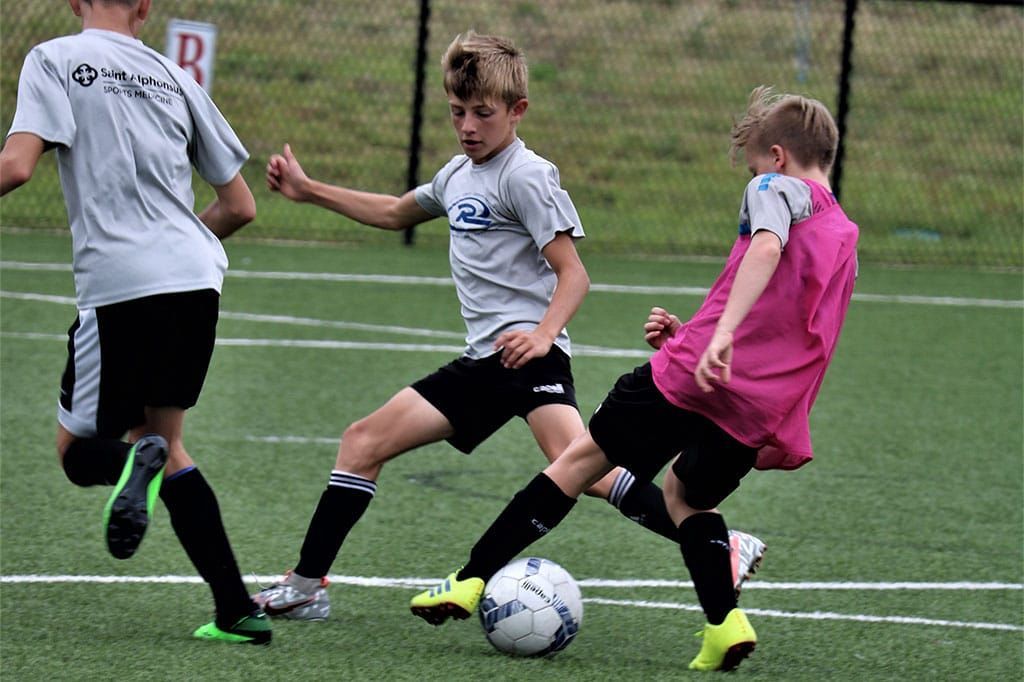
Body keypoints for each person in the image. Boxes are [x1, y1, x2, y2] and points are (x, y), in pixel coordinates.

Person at [253, 31, 766, 621]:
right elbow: (397, 213)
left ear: (517, 111)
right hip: (485, 361)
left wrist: (544, 334)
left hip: (528, 357)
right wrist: (308, 190)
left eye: (483, 114)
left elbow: (573, 274)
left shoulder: (526, 175)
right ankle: (308, 585)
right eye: (457, 112)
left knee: (581, 468)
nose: (468, 126)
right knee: (375, 443)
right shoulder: (455, 174)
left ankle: (304, 582)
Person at [409, 85, 859, 672]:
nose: (751, 174)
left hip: (694, 376)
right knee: (685, 499)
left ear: (775, 156)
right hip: (758, 403)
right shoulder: (844, 236)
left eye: (752, 161)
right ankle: (725, 626)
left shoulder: (773, 187)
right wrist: (695, 329)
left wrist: (717, 337)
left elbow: (767, 249)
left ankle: (468, 582)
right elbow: (802, 327)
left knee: (575, 464)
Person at [1, 0, 270, 645]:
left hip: (121, 283)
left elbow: (15, 166)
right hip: (196, 279)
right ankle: (237, 608)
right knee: (168, 445)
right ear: (145, 6)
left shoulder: (56, 58)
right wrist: (175, 250)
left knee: (77, 454)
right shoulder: (176, 75)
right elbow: (240, 205)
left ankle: (131, 463)